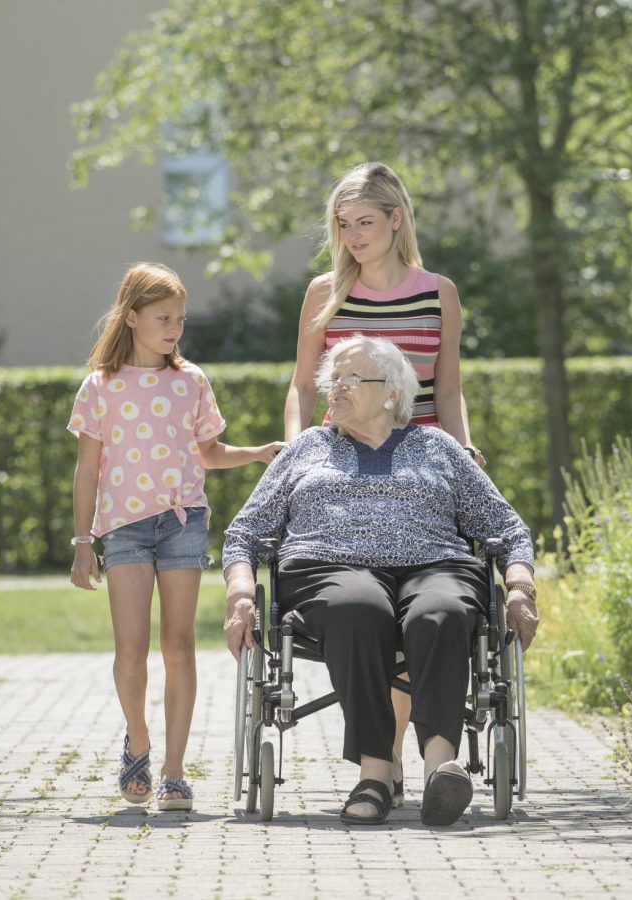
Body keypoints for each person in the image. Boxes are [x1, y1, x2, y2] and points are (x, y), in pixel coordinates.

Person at [225, 335, 538, 826]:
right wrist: (241, 591)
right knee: (359, 608)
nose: (336, 389)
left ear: (393, 393)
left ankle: (442, 770)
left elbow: (506, 527)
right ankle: (376, 771)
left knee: (445, 611)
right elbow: (246, 531)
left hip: (435, 565)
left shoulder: (438, 447)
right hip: (328, 568)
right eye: (334, 379)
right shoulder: (307, 448)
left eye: (351, 378)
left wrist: (519, 588)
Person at [282, 161, 485, 800]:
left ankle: (391, 760)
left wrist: (462, 449)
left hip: (421, 466)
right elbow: (301, 384)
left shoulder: (437, 293)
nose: (352, 238)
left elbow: (446, 389)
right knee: (364, 599)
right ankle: (385, 760)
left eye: (364, 223)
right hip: (345, 463)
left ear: (396, 220)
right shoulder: (326, 294)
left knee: (423, 596)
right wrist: (296, 450)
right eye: (343, 226)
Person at [68, 262, 282, 812]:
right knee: (132, 648)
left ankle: (173, 770)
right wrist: (82, 542)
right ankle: (137, 739)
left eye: (180, 319)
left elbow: (209, 453)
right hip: (122, 529)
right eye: (163, 318)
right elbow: (88, 470)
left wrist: (256, 453)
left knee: (179, 643)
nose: (174, 329)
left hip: (183, 521)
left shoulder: (192, 382)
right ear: (132, 317)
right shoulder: (101, 386)